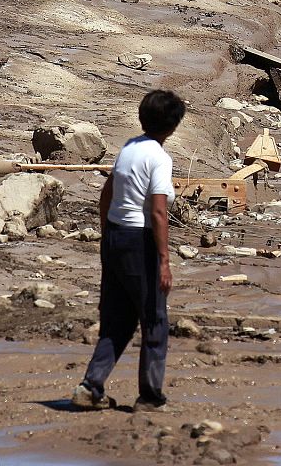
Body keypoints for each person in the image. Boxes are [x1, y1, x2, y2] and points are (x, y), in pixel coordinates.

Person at [71, 90, 185, 411]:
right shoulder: (159, 157)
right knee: (154, 319)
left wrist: (109, 238)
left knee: (117, 321)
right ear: (173, 126)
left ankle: (91, 386)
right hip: (139, 241)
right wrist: (164, 261)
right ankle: (150, 396)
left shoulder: (128, 148)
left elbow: (106, 196)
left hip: (116, 236)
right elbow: (159, 212)